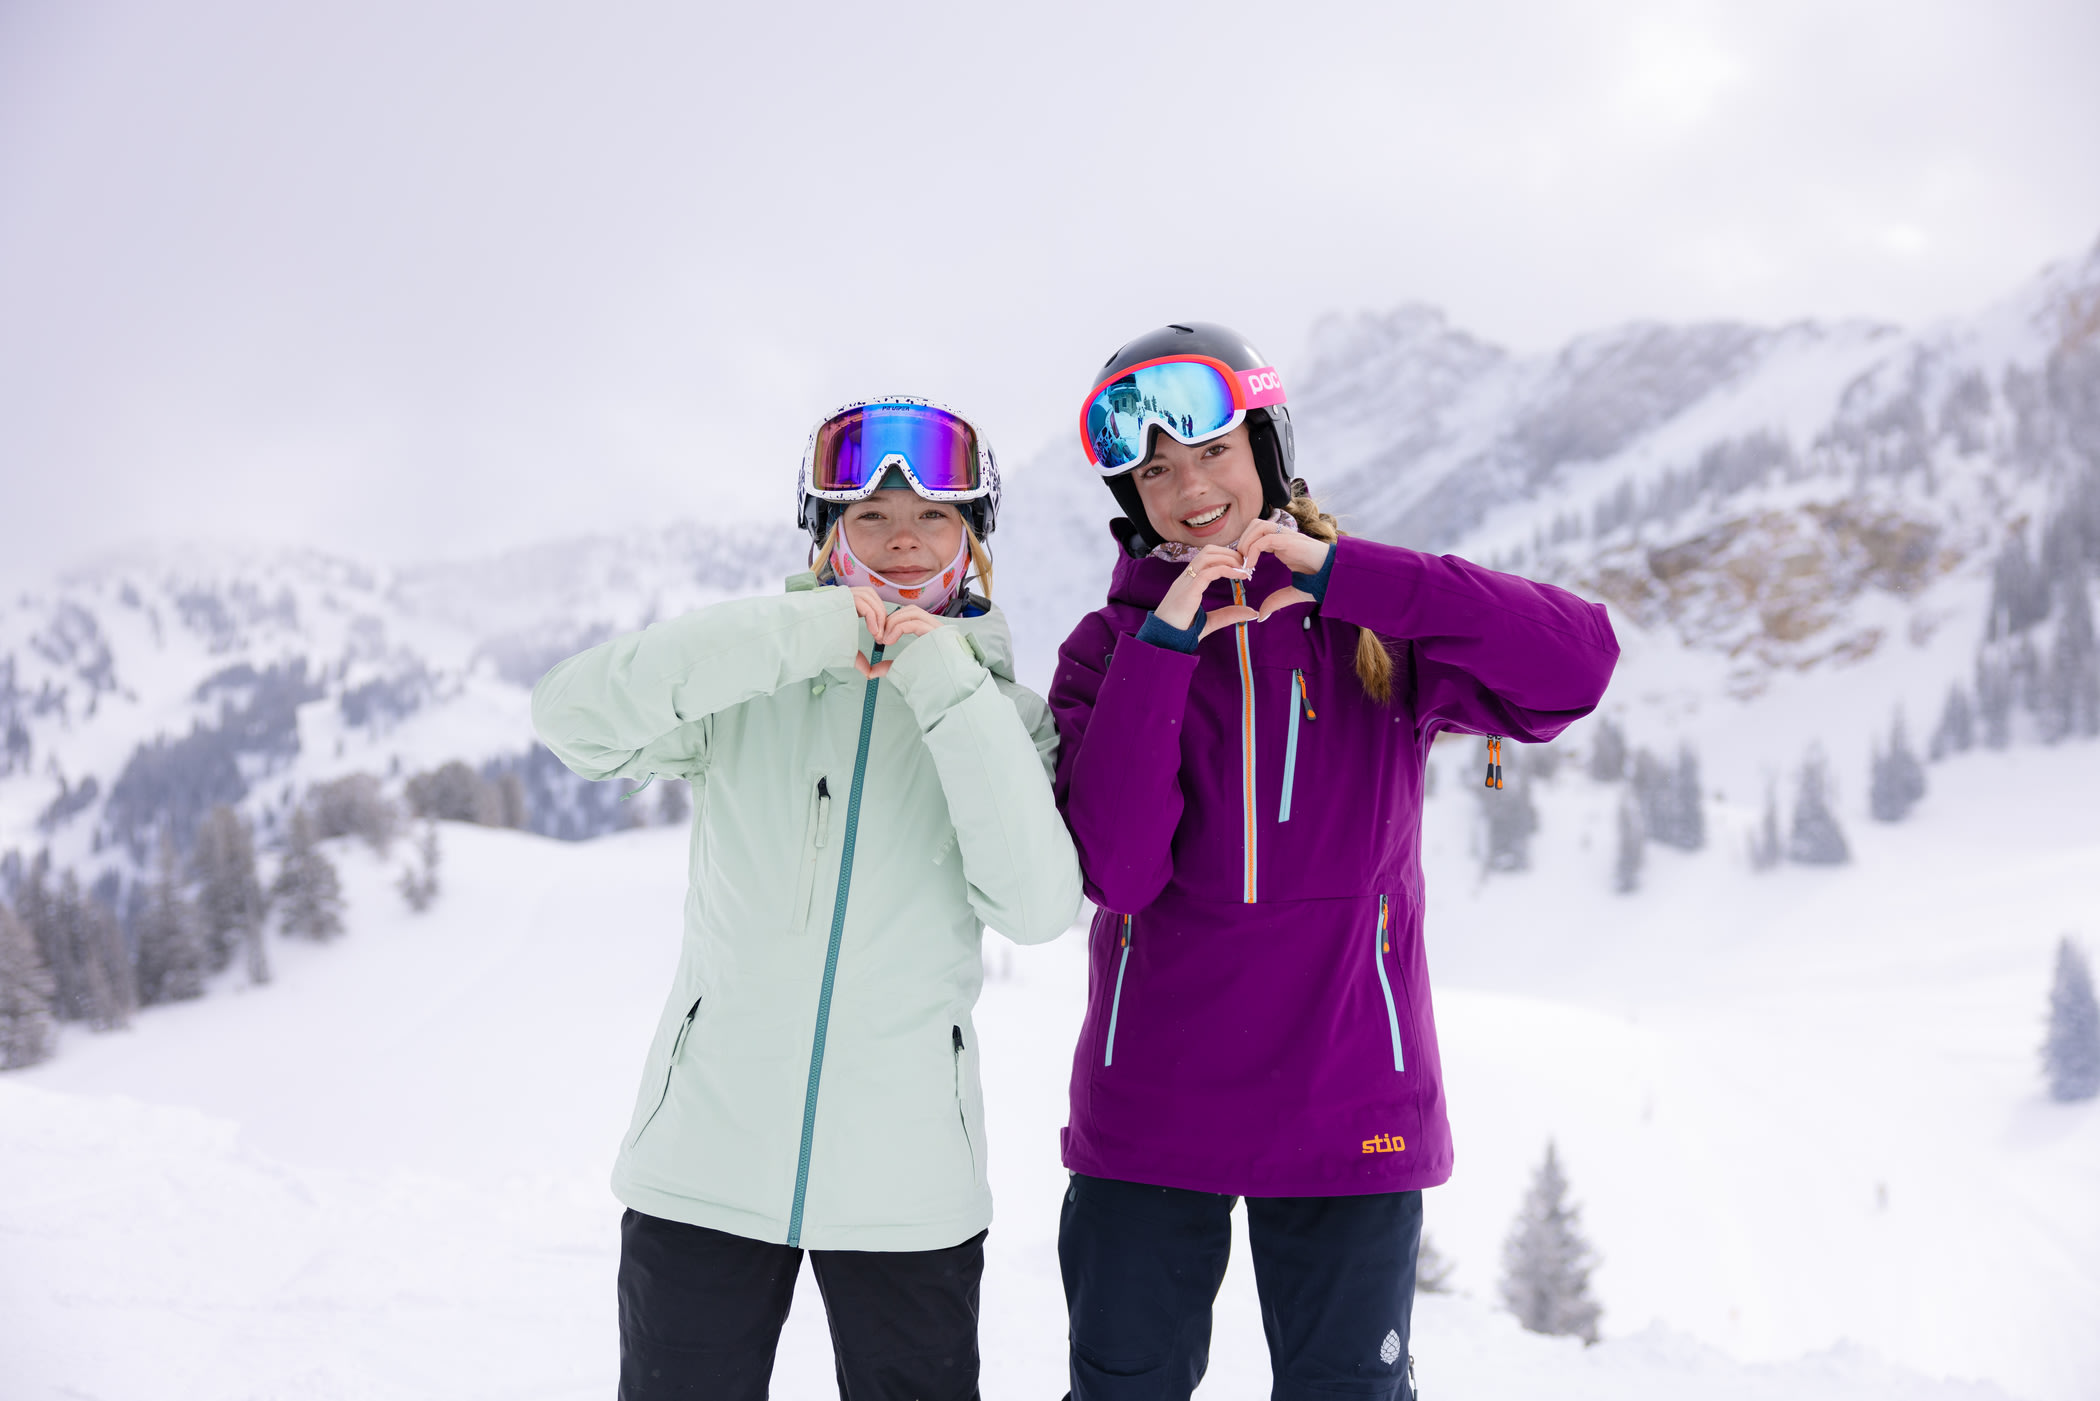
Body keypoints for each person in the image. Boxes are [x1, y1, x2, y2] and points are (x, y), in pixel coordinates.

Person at [1050, 324, 1620, 1400]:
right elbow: (1120, 868)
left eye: (1214, 451)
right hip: (1150, 1113)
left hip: (1349, 1100)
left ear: (1267, 446)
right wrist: (1166, 644)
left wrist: (1346, 575)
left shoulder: (1375, 632)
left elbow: (1579, 663)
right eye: (1157, 471)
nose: (1189, 487)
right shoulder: (1106, 651)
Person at [532, 395, 1083, 1401]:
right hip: (703, 1166)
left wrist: (944, 681)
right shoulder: (754, 685)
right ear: (825, 538)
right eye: (869, 518)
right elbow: (572, 718)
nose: (903, 540)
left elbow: (1038, 907)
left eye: (934, 518)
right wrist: (806, 633)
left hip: (910, 1194)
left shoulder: (1006, 719)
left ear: (975, 541)